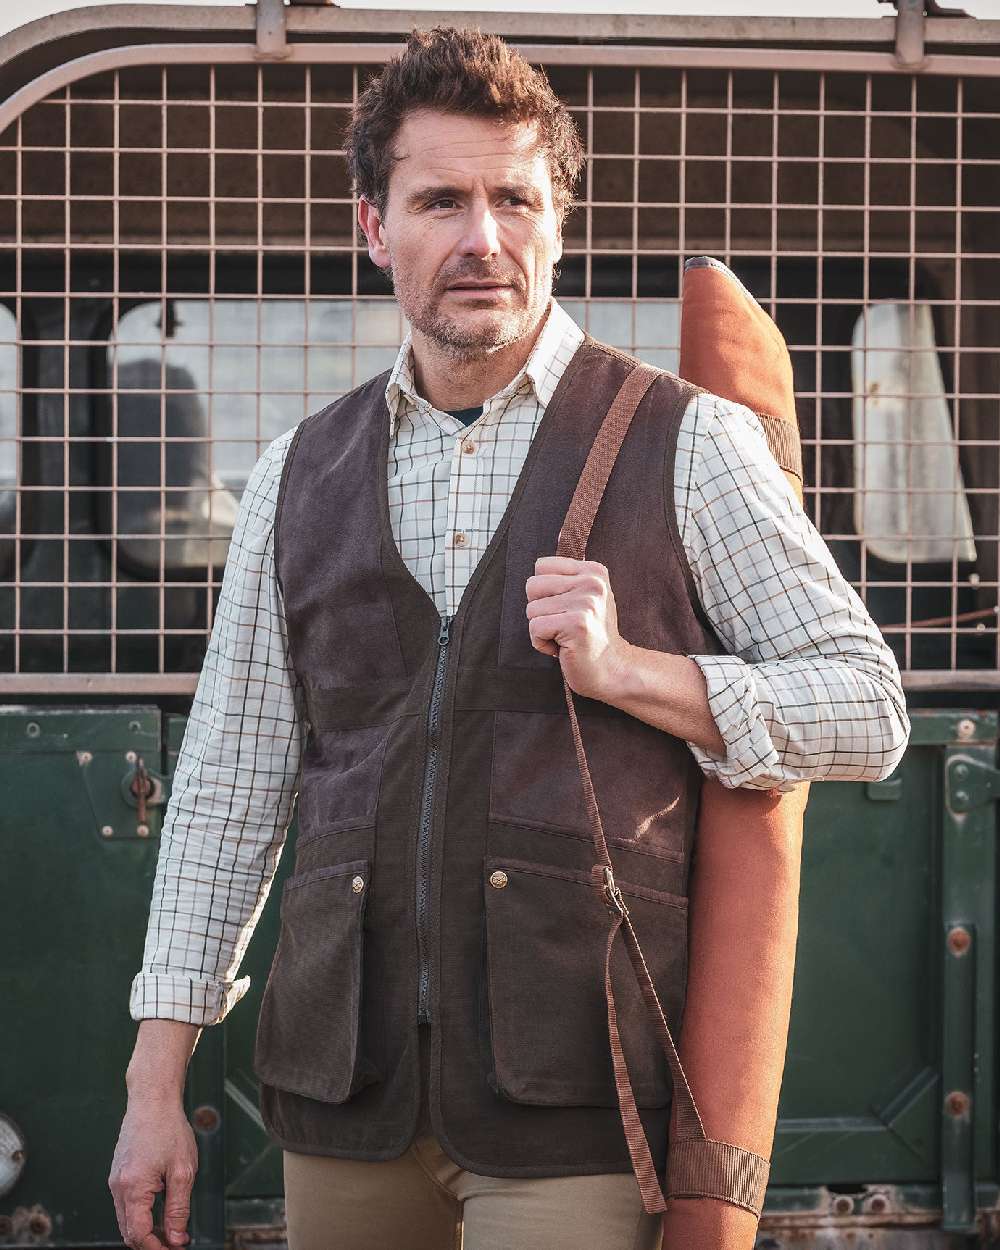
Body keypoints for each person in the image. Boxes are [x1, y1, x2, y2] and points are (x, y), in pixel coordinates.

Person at [108, 26, 910, 1250]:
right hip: (344, 1096)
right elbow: (228, 786)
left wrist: (634, 672)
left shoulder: (689, 441)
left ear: (557, 224)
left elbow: (867, 707)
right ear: (375, 228)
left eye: (514, 200)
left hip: (575, 1102)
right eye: (440, 201)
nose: (482, 237)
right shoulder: (293, 474)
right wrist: (153, 1081)